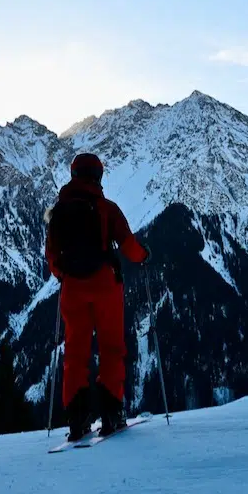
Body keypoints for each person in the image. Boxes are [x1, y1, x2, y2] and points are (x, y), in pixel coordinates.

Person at [45, 152, 150, 441]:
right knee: (111, 348)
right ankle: (112, 414)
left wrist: (67, 278)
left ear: (74, 175)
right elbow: (128, 245)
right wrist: (144, 256)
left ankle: (77, 421)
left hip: (72, 290)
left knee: (76, 353)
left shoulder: (58, 212)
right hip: (106, 286)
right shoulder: (107, 208)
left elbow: (52, 258)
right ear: (98, 176)